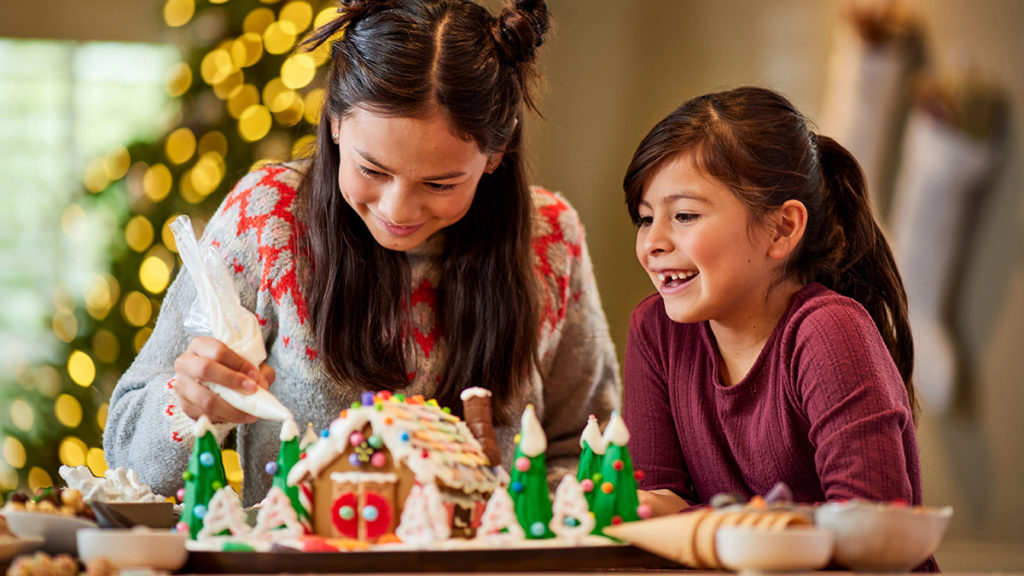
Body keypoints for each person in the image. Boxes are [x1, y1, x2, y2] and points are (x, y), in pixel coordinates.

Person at [103, 0, 620, 506]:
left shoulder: (550, 237)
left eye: (440, 183)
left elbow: (583, 447)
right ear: (333, 122)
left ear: (495, 155)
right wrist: (187, 404)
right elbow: (129, 464)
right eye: (372, 170)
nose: (399, 208)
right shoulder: (267, 220)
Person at [621, 87, 927, 518]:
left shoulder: (829, 331)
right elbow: (652, 509)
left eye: (685, 215)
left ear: (782, 228)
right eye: (645, 218)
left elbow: (870, 529)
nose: (652, 242)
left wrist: (691, 519)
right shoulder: (656, 331)